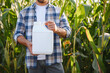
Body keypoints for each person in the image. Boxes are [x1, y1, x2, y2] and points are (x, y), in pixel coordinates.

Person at [14, 0, 71, 73]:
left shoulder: (58, 11)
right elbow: (17, 35)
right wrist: (27, 43)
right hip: (33, 61)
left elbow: (68, 32)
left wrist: (57, 29)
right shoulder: (24, 12)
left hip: (54, 60)